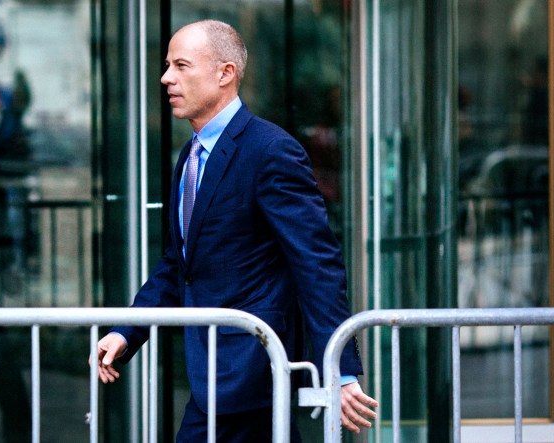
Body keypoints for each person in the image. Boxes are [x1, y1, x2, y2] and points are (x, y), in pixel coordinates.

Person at [90, 19, 377, 441]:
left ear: (225, 73)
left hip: (251, 365)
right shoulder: (190, 157)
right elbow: (178, 265)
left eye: (181, 65)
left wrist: (341, 368)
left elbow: (317, 264)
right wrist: (125, 331)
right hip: (217, 370)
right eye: (167, 65)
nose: (166, 77)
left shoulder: (270, 150)